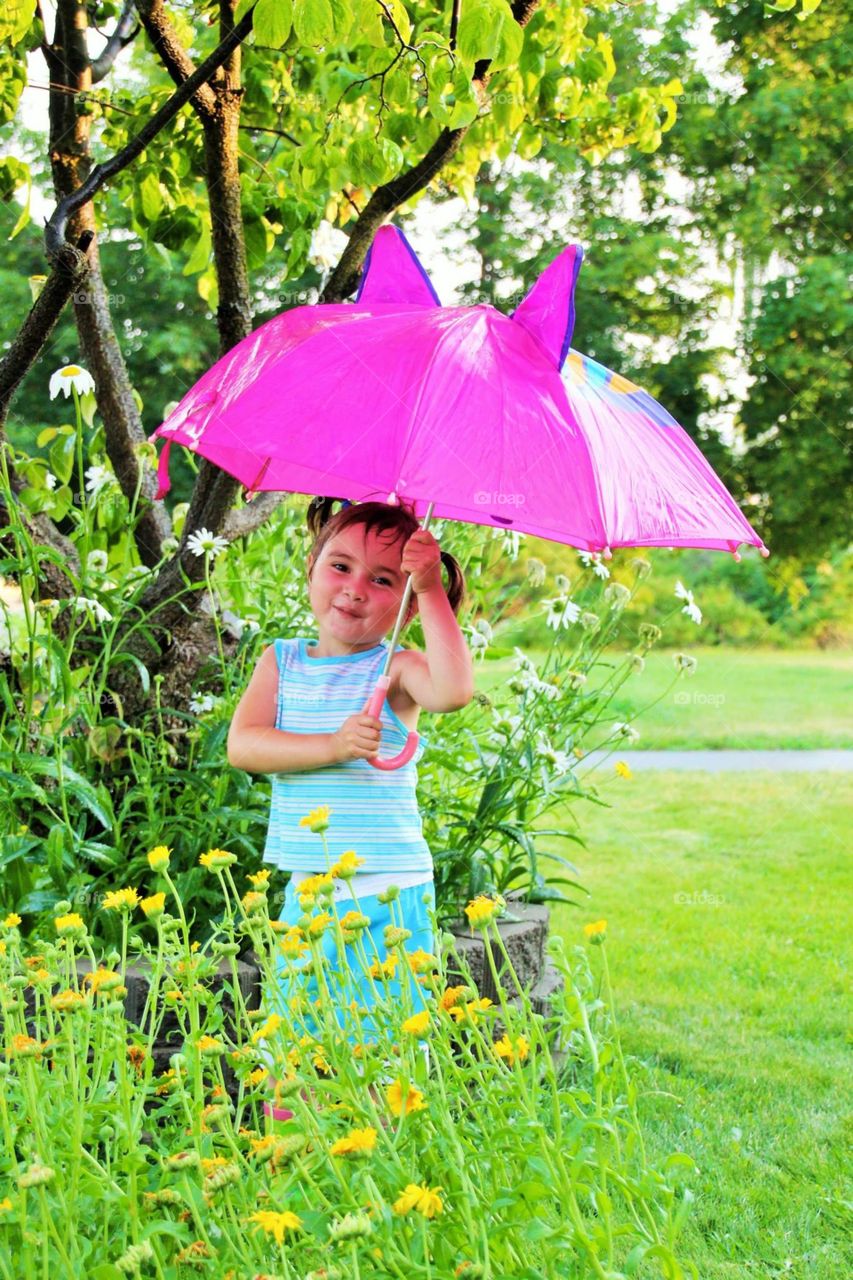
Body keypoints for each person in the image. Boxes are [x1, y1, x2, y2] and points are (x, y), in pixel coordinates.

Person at [226, 496, 474, 1116]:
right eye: (340, 566)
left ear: (406, 606)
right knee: (292, 1049)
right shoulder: (280, 663)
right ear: (311, 566)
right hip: (307, 892)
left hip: (385, 892)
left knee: (376, 1051)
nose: (355, 589)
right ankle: (292, 1175)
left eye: (384, 580)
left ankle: (372, 1179)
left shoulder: (398, 669)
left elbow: (454, 691)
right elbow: (245, 745)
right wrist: (334, 745)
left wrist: (433, 587)